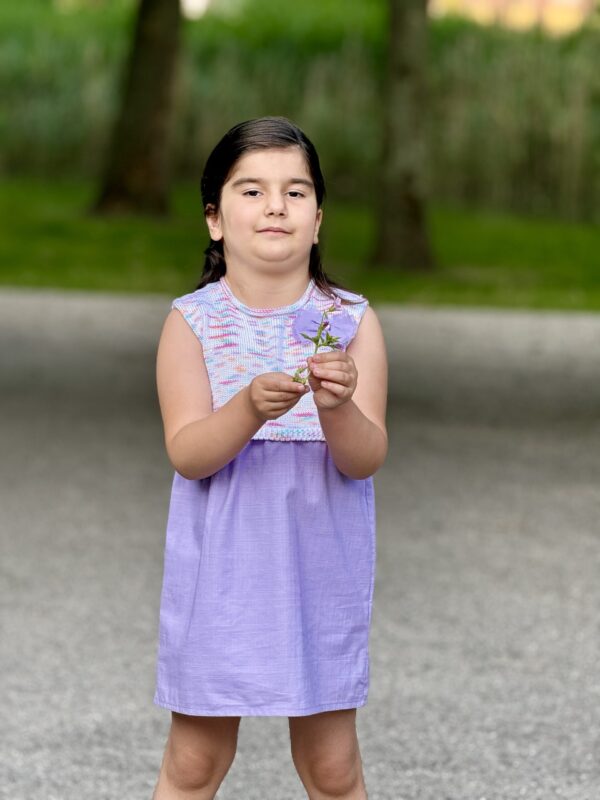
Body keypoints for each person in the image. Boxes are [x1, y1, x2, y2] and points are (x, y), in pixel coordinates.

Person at [151, 116, 388, 800]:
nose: (276, 205)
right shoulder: (191, 322)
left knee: (333, 766)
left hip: (319, 567)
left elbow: (365, 459)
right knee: (195, 761)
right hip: (220, 573)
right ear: (215, 219)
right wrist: (249, 408)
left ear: (318, 220)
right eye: (251, 191)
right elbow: (189, 453)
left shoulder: (352, 321)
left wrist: (337, 407)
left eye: (296, 191)